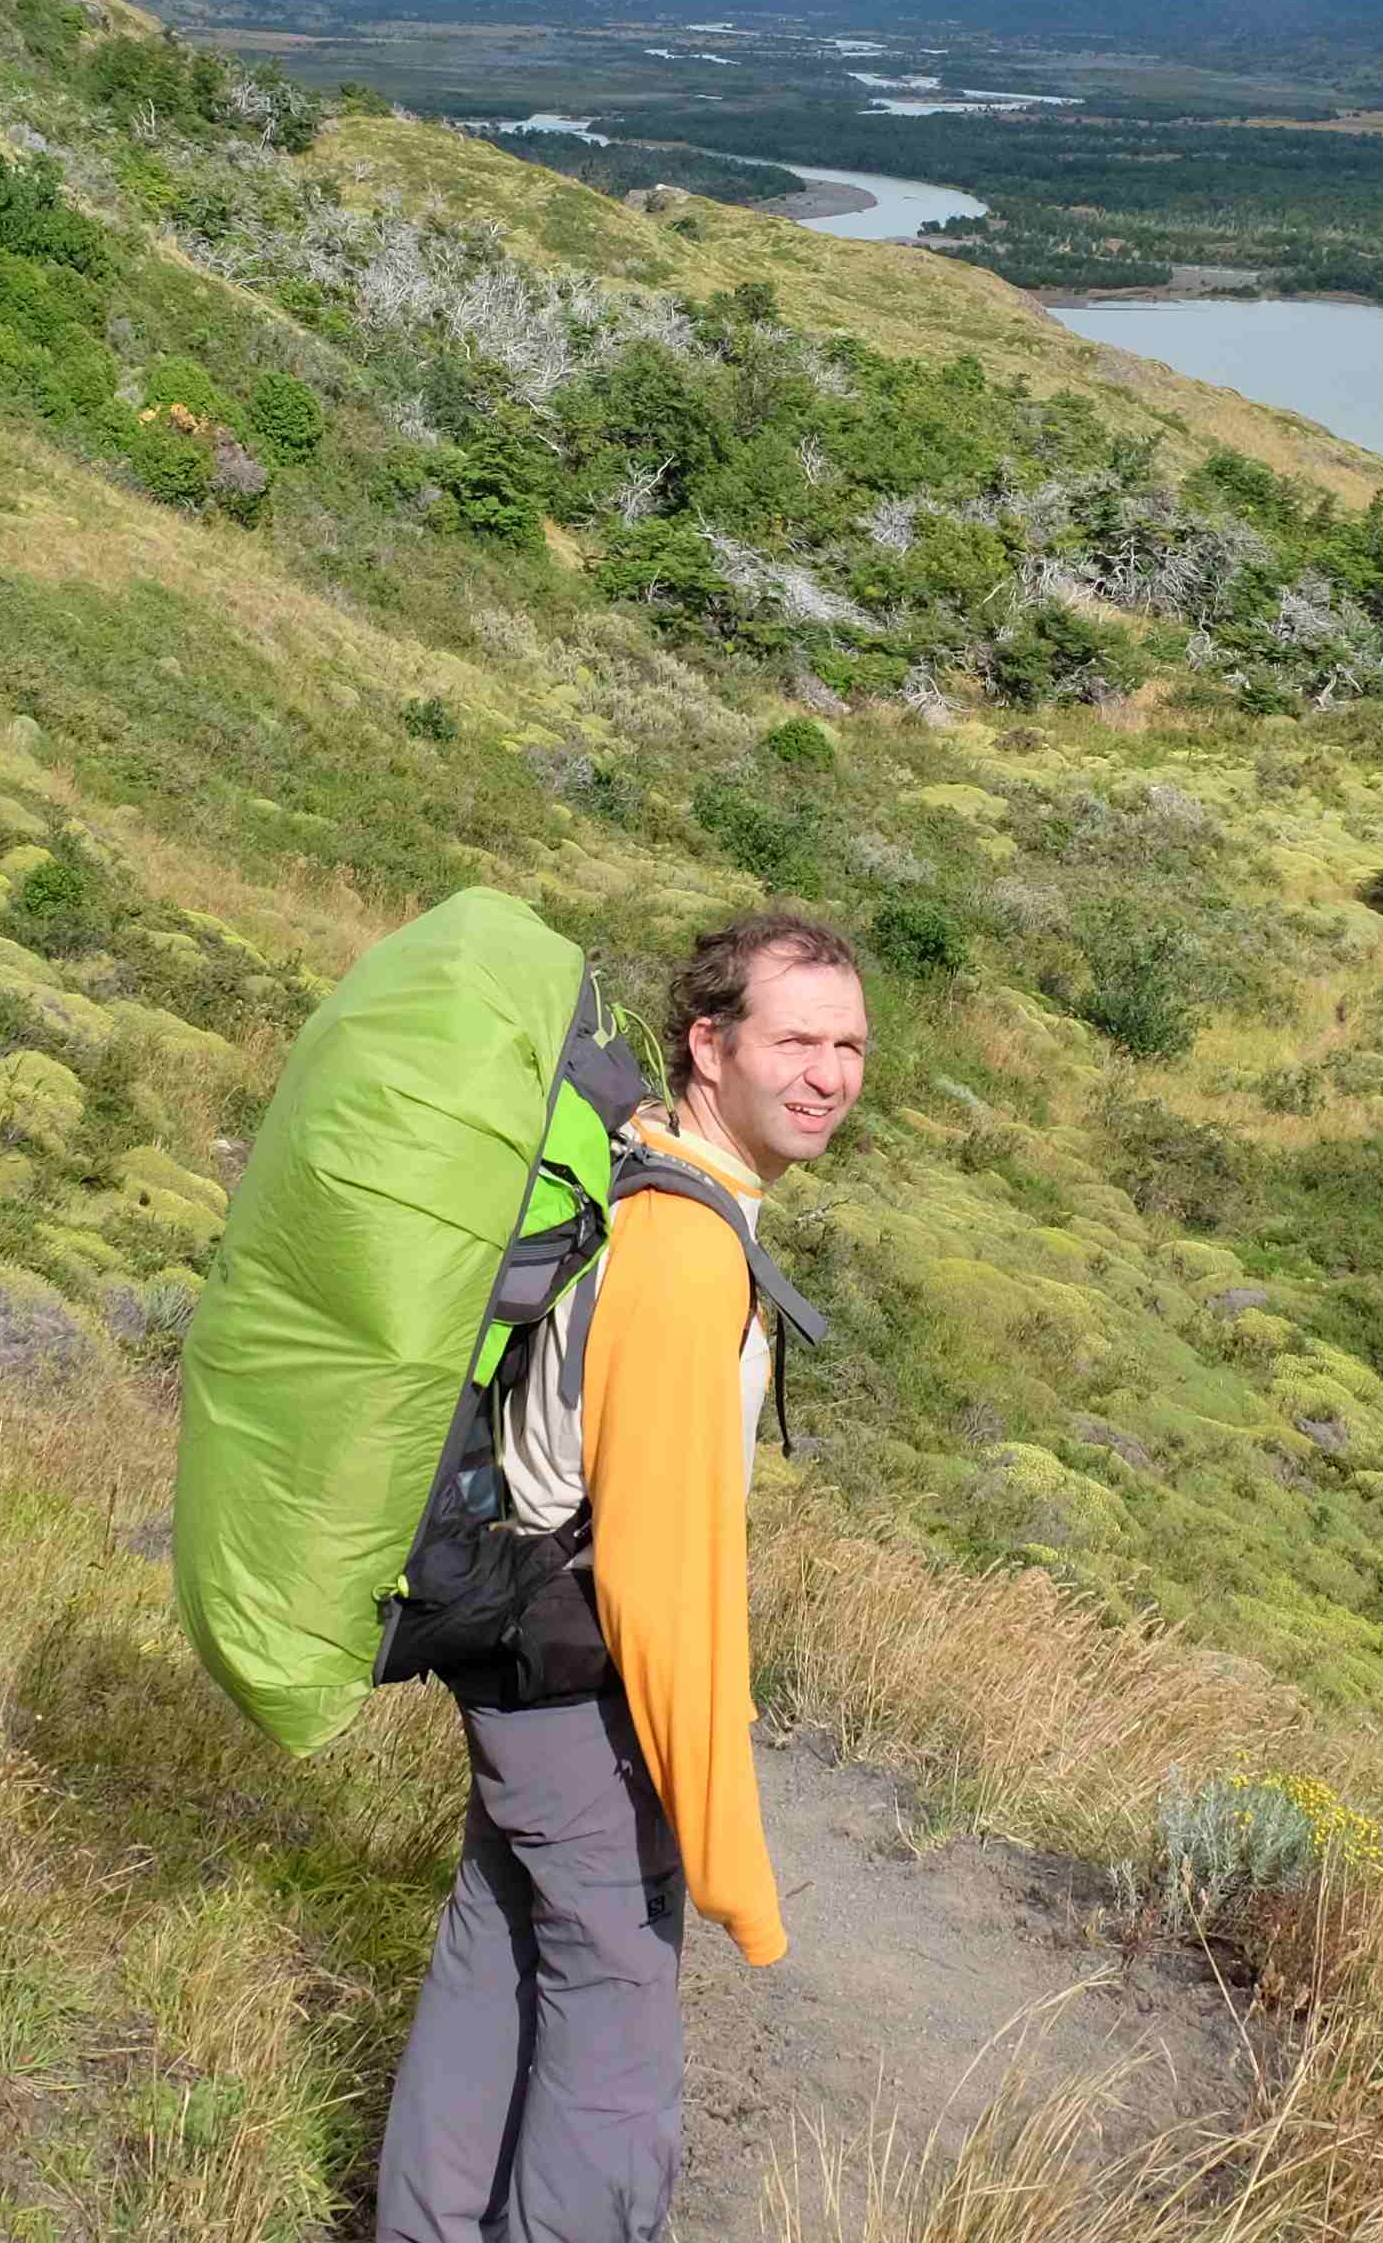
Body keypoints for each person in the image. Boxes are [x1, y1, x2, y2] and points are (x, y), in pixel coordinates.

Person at [372, 910, 869, 2243]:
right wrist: (728, 1848)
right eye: (796, 1041)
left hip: (516, 1652)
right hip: (585, 1688)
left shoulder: (640, 1176)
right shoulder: (686, 1253)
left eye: (848, 1047)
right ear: (709, 1046)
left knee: (495, 1951)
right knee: (614, 2024)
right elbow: (656, 1570)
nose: (827, 1075)